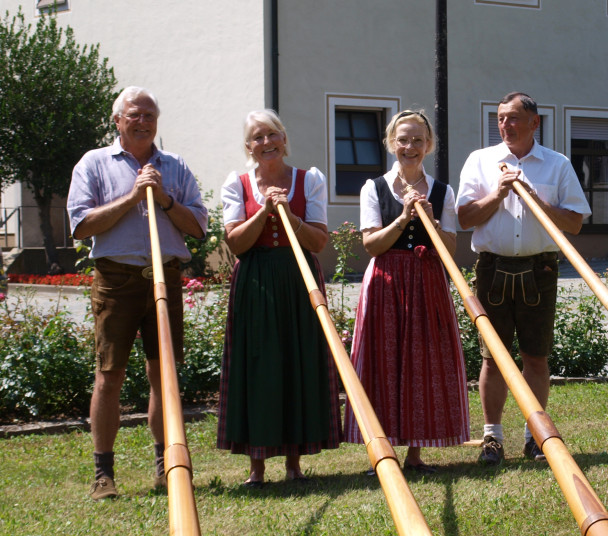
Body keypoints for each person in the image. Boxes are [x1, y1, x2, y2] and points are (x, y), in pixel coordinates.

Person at [67, 86, 208, 501]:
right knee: (109, 376)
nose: (143, 121)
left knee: (163, 375)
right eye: (135, 115)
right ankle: (103, 474)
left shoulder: (174, 166)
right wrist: (133, 196)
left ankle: (167, 466)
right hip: (117, 279)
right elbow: (80, 226)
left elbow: (199, 227)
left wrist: (163, 199)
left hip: (165, 276)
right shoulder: (95, 163)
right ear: (118, 120)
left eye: (150, 115)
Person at [457, 92, 591, 466]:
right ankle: (492, 438)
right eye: (501, 118)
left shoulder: (556, 165)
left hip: (540, 268)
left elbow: (575, 223)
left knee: (535, 355)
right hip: (491, 267)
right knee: (492, 357)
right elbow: (464, 219)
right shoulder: (480, 161)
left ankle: (535, 436)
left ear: (535, 123)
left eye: (514, 118)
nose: (506, 125)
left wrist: (533, 196)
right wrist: (499, 194)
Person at [216, 109, 340, 487]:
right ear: (248, 147)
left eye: (272, 135)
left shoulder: (309, 180)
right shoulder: (236, 185)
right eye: (257, 137)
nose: (266, 143)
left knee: (297, 360)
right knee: (258, 365)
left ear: (284, 139)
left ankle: (294, 463)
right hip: (256, 281)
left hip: (299, 276)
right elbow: (236, 244)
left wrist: (290, 214)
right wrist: (265, 212)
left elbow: (319, 241)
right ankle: (256, 466)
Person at [343, 109, 469, 472]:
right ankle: (382, 452)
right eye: (402, 139)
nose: (409, 146)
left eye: (417, 140)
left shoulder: (443, 191)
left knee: (424, 361)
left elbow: (449, 248)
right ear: (390, 143)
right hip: (386, 281)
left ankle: (416, 452)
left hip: (427, 280)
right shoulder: (375, 188)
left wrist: (429, 218)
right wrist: (402, 217)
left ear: (428, 145)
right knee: (382, 363)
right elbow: (372, 245)